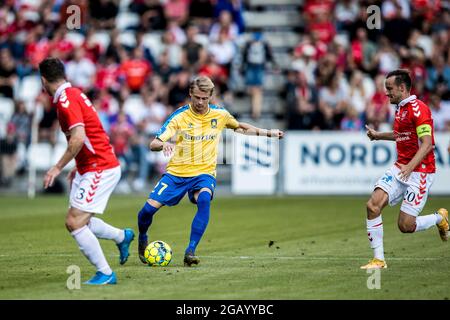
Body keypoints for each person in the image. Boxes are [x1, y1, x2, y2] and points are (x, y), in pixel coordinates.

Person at [136, 76, 284, 266]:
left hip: (203, 173)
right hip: (177, 173)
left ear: (211, 96)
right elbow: (153, 143)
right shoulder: (179, 116)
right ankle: (142, 236)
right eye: (196, 97)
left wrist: (268, 133)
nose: (200, 102)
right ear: (190, 94)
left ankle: (190, 251)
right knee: (146, 212)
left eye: (204, 98)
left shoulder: (220, 115)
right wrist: (164, 144)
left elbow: (240, 127)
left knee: (204, 199)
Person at [38, 57, 135, 285]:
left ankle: (105, 273)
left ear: (43, 80)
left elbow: (79, 138)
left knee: (74, 222)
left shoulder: (65, 100)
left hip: (100, 166)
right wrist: (77, 167)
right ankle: (122, 237)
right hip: (88, 167)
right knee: (82, 221)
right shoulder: (73, 94)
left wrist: (57, 167)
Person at [362, 69, 448, 270]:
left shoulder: (419, 109)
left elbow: (427, 144)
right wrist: (378, 136)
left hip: (421, 172)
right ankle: (379, 260)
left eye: (389, 88)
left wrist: (410, 167)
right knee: (372, 206)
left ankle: (439, 218)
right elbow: (401, 134)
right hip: (401, 168)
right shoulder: (401, 108)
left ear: (402, 88)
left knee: (405, 226)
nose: (386, 93)